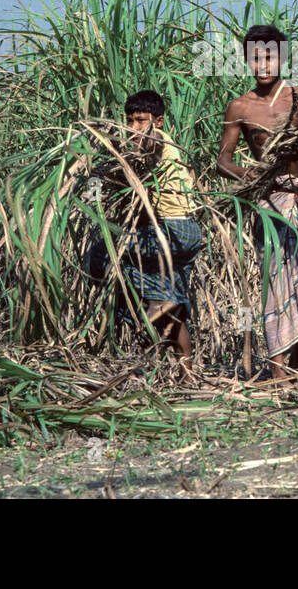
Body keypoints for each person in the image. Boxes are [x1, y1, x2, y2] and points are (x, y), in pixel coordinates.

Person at [216, 24, 298, 381]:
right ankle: (278, 373)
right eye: (256, 58)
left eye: (270, 56)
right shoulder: (241, 106)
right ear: (247, 61)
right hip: (272, 204)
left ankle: (297, 368)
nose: (263, 64)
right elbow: (223, 159)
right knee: (276, 280)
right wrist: (245, 174)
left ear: (283, 59)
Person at [83, 90, 203, 380]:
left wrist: (118, 139)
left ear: (158, 121)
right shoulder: (160, 146)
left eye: (140, 120)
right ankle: (188, 376)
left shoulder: (160, 140)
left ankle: (143, 310)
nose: (133, 127)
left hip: (170, 232)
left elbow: (149, 145)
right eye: (129, 121)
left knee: (100, 255)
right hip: (186, 234)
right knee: (169, 303)